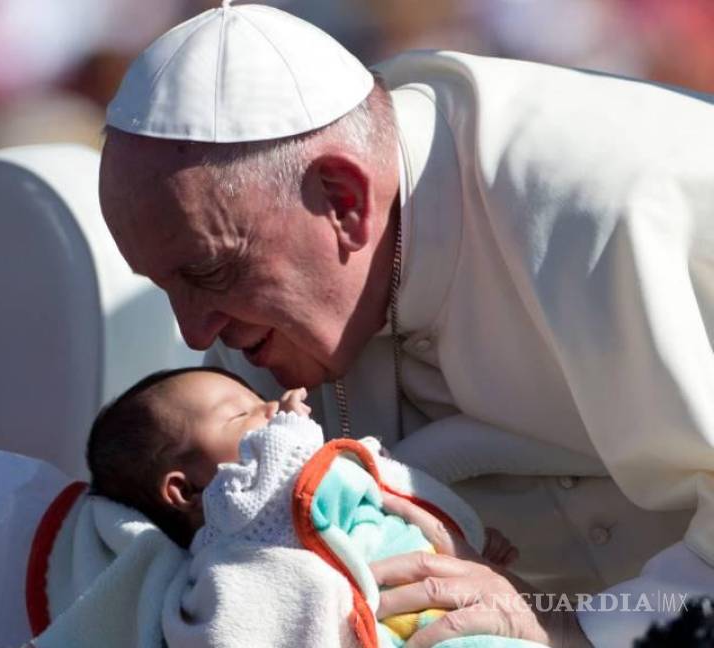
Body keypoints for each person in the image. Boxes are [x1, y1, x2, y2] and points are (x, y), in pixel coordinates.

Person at [97, 3, 713, 646]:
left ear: (343, 199)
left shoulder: (620, 207)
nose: (195, 334)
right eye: (166, 284)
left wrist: (582, 628)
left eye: (210, 271)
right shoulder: (254, 319)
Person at [87, 367, 526, 647]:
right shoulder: (238, 535)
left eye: (262, 405)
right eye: (242, 416)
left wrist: (469, 539)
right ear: (187, 492)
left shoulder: (314, 485)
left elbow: (390, 501)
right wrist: (290, 426)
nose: (274, 407)